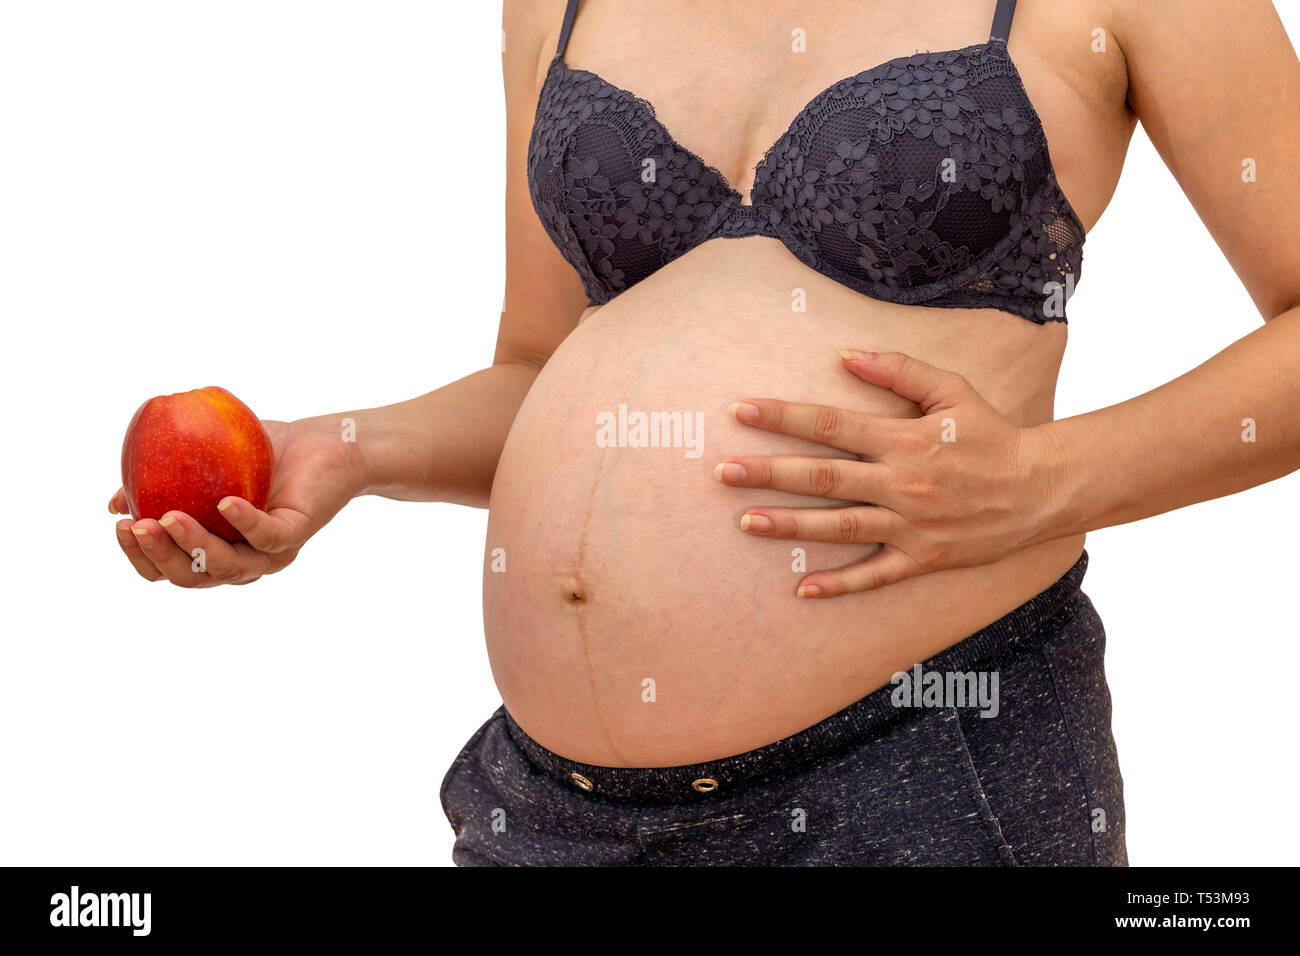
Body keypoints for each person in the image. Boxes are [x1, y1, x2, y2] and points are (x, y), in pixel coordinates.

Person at [111, 0, 1300, 865]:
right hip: (550, 808)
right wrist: (354, 447)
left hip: (918, 774)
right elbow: (542, 367)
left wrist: (1045, 478)